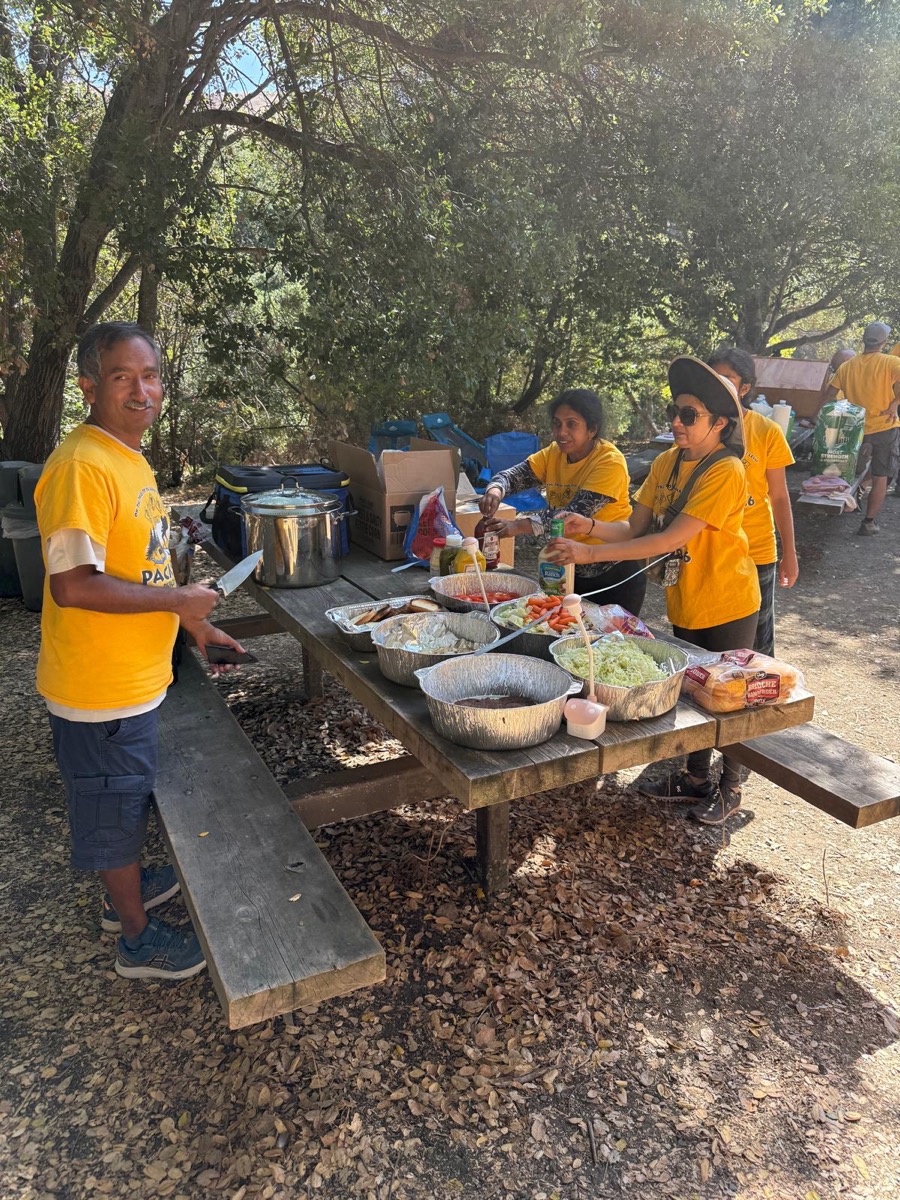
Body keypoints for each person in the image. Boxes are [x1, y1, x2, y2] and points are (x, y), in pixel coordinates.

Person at [35, 322, 246, 982]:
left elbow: (143, 571)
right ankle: (135, 938)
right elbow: (74, 585)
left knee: (120, 803)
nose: (141, 390)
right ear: (89, 387)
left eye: (150, 375)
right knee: (112, 812)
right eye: (122, 377)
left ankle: (120, 882)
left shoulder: (126, 456)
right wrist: (179, 598)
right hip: (98, 690)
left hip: (132, 680)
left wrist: (192, 623)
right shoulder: (80, 466)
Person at [548, 357, 760, 825]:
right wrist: (592, 527)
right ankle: (696, 777)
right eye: (675, 412)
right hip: (686, 596)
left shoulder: (726, 470)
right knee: (697, 692)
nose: (677, 423)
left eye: (690, 416)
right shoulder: (666, 461)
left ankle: (732, 787)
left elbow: (667, 540)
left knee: (732, 696)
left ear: (720, 423)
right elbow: (634, 528)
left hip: (727, 599)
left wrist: (586, 555)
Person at [478, 388, 646, 616]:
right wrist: (495, 490)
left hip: (612, 573)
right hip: (567, 568)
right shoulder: (553, 454)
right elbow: (513, 476)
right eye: (557, 424)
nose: (561, 432)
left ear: (592, 429)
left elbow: (571, 516)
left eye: (571, 424)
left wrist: (515, 527)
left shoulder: (609, 462)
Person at [707, 347, 798, 657]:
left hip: (755, 550)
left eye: (728, 379)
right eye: (714, 377)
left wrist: (790, 553)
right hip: (710, 551)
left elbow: (780, 496)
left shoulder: (766, 431)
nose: (719, 384)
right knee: (712, 641)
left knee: (757, 647)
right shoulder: (699, 428)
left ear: (744, 388)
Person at [820, 322, 900, 534]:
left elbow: (829, 395)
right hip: (885, 427)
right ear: (884, 343)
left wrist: (828, 421)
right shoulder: (891, 362)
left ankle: (848, 499)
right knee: (881, 475)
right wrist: (895, 403)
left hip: (854, 429)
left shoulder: (847, 366)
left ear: (864, 341)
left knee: (849, 469)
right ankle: (868, 523)